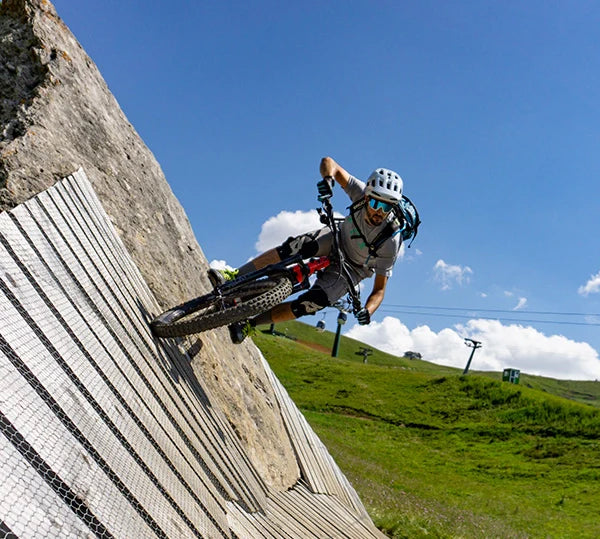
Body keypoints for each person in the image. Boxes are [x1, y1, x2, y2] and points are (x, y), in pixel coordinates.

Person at [209, 156, 405, 344]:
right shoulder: (360, 193)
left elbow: (379, 290)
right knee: (293, 247)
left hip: (353, 269)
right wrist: (328, 180)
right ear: (367, 196)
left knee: (312, 303)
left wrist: (368, 311)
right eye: (375, 202)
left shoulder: (391, 241)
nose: (378, 211)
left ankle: (249, 325)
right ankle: (234, 276)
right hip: (336, 238)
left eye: (386, 207)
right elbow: (329, 162)